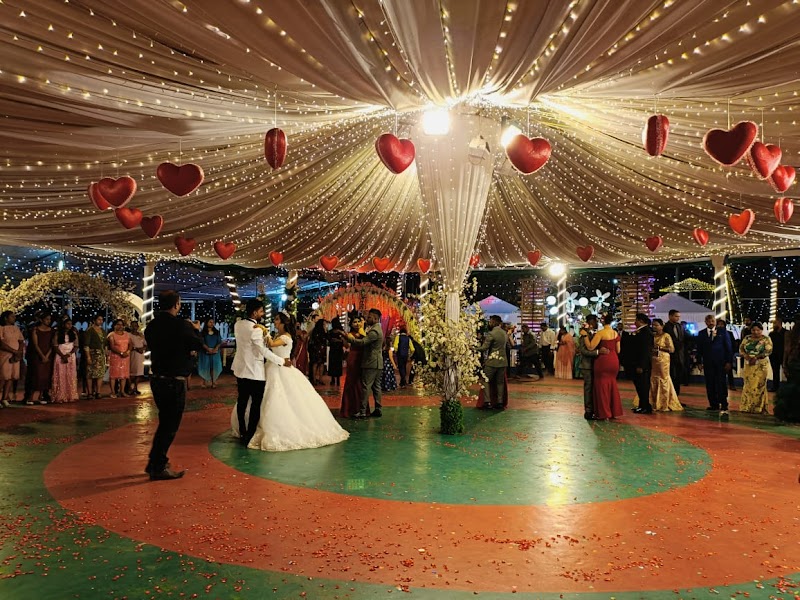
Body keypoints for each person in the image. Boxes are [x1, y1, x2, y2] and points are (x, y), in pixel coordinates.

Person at [232, 310, 349, 451]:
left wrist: (264, 330)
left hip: (281, 369)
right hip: (272, 368)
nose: (274, 322)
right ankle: (251, 427)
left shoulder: (286, 337)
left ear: (283, 323)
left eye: (277, 319)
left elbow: (271, 344)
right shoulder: (278, 335)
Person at [143, 290, 204, 480]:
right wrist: (195, 329)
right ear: (176, 304)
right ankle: (158, 465)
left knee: (165, 421)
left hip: (157, 378)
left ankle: (155, 461)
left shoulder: (152, 326)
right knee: (169, 425)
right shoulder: (181, 325)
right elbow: (197, 344)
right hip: (174, 380)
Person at [231, 299, 290, 446]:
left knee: (242, 401)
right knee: (256, 404)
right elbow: (263, 351)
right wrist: (281, 361)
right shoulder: (256, 329)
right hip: (254, 372)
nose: (263, 314)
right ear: (254, 312)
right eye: (261, 311)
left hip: (240, 369)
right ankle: (250, 434)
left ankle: (242, 430)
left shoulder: (238, 324)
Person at [340, 308, 384, 418]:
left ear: (375, 318)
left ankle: (363, 411)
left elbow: (363, 342)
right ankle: (377, 408)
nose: (367, 319)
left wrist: (348, 338)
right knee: (376, 387)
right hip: (377, 362)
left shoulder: (374, 331)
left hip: (371, 362)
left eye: (369, 317)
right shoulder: (376, 329)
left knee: (366, 386)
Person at [584, 313, 622, 420]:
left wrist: (585, 336)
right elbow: (618, 350)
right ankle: (613, 411)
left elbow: (590, 347)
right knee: (612, 384)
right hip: (614, 360)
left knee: (601, 386)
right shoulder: (615, 333)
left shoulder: (600, 333)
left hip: (603, 361)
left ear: (602, 321)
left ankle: (604, 413)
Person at [696, 314, 734, 416]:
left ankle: (724, 404)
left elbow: (728, 348)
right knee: (710, 384)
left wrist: (729, 362)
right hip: (708, 363)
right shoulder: (701, 333)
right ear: (705, 322)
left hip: (721, 363)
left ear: (715, 321)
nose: (711, 323)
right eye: (708, 321)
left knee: (721, 383)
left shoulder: (722, 332)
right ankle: (713, 404)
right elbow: (699, 349)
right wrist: (699, 362)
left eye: (712, 321)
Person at [577, 315, 609, 419]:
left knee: (594, 388)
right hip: (587, 366)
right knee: (589, 389)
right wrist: (598, 352)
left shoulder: (595, 333)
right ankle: (588, 411)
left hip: (595, 365)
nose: (596, 324)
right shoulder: (584, 334)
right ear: (591, 322)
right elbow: (583, 351)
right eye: (595, 322)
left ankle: (595, 409)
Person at [649, 319, 683, 412]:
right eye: (653, 325)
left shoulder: (666, 335)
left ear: (662, 326)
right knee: (653, 378)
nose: (654, 327)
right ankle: (653, 401)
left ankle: (664, 402)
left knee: (663, 379)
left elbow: (671, 349)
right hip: (653, 360)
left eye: (656, 325)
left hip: (663, 360)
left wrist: (660, 348)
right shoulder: (652, 336)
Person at [739, 323, 773, 414]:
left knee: (759, 386)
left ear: (761, 330)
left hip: (761, 366)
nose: (756, 332)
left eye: (758, 330)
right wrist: (746, 356)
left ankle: (759, 407)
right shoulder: (747, 338)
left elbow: (768, 351)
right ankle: (747, 407)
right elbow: (741, 349)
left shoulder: (766, 339)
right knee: (748, 385)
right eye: (753, 330)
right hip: (748, 364)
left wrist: (757, 357)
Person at [476, 315, 509, 410]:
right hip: (503, 361)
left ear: (494, 322)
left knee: (485, 380)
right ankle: (500, 402)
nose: (489, 323)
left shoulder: (491, 334)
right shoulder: (504, 333)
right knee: (500, 383)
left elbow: (484, 348)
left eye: (490, 322)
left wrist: (473, 348)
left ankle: (487, 402)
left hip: (492, 362)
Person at [774, 314, 800, 421]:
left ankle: (789, 412)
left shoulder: (789, 334)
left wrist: (785, 364)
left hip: (793, 363)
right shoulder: (790, 334)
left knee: (792, 389)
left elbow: (786, 350)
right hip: (795, 363)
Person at [627, 314, 654, 414]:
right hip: (640, 363)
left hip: (642, 365)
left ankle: (645, 406)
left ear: (640, 321)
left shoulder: (645, 332)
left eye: (636, 320)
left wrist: (641, 365)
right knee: (640, 386)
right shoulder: (643, 331)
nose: (635, 322)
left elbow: (645, 351)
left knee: (643, 386)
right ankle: (642, 405)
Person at [339, 316, 365, 418]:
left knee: (360, 383)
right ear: (351, 324)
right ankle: (349, 409)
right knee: (351, 382)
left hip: (362, 358)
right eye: (355, 322)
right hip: (353, 358)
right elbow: (347, 345)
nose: (357, 323)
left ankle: (361, 408)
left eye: (359, 321)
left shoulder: (364, 333)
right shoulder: (350, 334)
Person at [28, 313, 55, 405]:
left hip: (48, 355)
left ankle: (41, 396)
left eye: (49, 319)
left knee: (46, 376)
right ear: (41, 320)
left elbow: (52, 344)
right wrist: (42, 356)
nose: (48, 321)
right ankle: (30, 397)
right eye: (47, 319)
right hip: (38, 355)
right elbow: (35, 344)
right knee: (36, 375)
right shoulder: (35, 330)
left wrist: (47, 355)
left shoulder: (52, 331)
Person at [50, 318, 79, 403]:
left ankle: (70, 395)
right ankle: (60, 396)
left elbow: (76, 346)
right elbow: (55, 346)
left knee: (70, 375)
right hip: (60, 355)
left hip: (70, 356)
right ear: (63, 325)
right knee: (60, 374)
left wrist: (69, 354)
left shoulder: (73, 333)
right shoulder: (58, 333)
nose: (69, 325)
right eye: (67, 324)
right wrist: (62, 356)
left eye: (70, 324)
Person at [0, 311, 24, 408]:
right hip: (5, 355)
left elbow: (21, 341)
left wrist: (19, 352)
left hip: (15, 356)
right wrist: (13, 351)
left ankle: (4, 398)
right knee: (3, 377)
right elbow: (1, 343)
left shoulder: (16, 328)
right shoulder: (1, 328)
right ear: (6, 318)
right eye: (12, 317)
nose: (14, 318)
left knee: (11, 377)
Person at [107, 319, 132, 398]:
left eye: (121, 324)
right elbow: (112, 346)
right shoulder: (111, 335)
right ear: (114, 325)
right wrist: (121, 353)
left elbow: (130, 344)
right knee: (114, 375)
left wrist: (127, 352)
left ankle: (122, 391)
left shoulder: (127, 334)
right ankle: (113, 392)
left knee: (123, 375)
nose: (120, 326)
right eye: (118, 324)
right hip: (116, 357)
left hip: (125, 357)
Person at [84, 315, 107, 399]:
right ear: (94, 320)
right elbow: (86, 345)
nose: (101, 321)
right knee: (90, 374)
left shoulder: (103, 331)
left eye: (102, 319)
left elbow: (105, 344)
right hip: (92, 354)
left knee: (100, 374)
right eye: (99, 319)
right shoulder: (90, 330)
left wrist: (106, 354)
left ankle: (98, 392)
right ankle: (90, 393)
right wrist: (88, 357)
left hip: (101, 354)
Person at [662, 309, 685, 395]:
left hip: (679, 356)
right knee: (671, 376)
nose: (678, 318)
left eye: (679, 316)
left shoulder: (680, 326)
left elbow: (684, 339)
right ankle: (670, 396)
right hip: (669, 356)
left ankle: (676, 396)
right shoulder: (665, 327)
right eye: (676, 316)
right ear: (670, 316)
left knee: (678, 377)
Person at [197, 318, 223, 388]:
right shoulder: (202, 333)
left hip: (215, 353)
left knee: (214, 367)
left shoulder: (217, 332)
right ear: (206, 323)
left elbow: (219, 341)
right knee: (205, 366)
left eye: (213, 322)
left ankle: (213, 382)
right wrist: (208, 349)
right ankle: (204, 382)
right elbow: (202, 342)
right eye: (210, 322)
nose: (212, 324)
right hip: (205, 352)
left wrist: (216, 348)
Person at [128, 321, 146, 395]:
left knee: (139, 372)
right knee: (131, 372)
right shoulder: (128, 335)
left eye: (135, 326)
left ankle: (135, 388)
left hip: (140, 355)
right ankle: (130, 388)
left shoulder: (141, 335)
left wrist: (142, 348)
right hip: (132, 354)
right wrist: (135, 348)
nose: (134, 327)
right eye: (132, 326)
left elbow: (145, 344)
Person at [769, 318, 787, 392]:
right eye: (773, 323)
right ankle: (775, 387)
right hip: (774, 356)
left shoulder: (786, 333)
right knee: (775, 372)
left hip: (784, 355)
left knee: (787, 372)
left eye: (775, 323)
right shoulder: (771, 334)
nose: (774, 325)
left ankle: (788, 388)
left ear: (780, 323)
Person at [327, 318, 345, 387]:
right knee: (338, 364)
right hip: (338, 350)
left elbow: (328, 340)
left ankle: (333, 379)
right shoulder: (341, 331)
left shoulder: (330, 332)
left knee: (332, 364)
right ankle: (337, 379)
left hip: (333, 350)